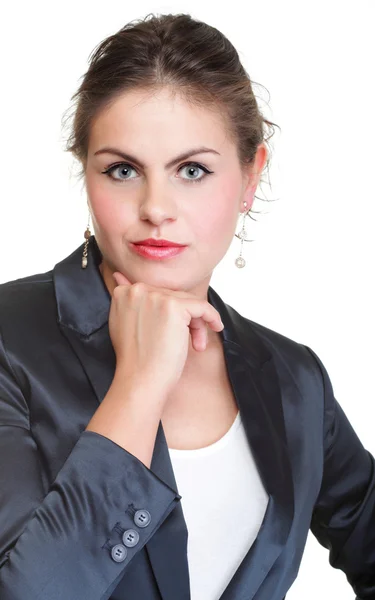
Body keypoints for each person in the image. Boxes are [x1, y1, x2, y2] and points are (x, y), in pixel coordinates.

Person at [0, 11, 374, 600]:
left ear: (252, 176)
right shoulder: (9, 341)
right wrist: (139, 385)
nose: (156, 207)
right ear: (86, 172)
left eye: (192, 170)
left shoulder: (294, 379)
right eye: (123, 170)